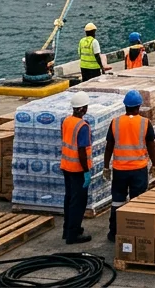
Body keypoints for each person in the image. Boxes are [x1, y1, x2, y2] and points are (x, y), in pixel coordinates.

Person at [105, 91, 155, 241]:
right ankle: (135, 232)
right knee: (138, 202)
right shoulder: (145, 123)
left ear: (125, 106)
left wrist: (105, 167)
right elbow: (151, 146)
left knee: (117, 201)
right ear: (139, 106)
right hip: (138, 170)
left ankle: (113, 232)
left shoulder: (115, 122)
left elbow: (109, 146)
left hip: (120, 169)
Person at [60, 92, 94, 245]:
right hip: (78, 169)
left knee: (69, 198)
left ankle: (68, 229)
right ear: (82, 109)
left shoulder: (67, 121)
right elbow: (81, 150)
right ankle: (73, 235)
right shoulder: (83, 126)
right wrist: (86, 171)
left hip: (66, 166)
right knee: (78, 202)